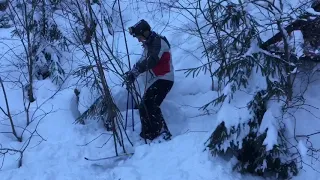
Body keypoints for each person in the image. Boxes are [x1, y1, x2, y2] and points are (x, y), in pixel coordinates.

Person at [123, 19, 174, 141]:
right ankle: (152, 133)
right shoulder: (149, 45)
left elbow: (152, 60)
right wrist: (132, 73)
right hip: (157, 79)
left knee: (148, 104)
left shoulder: (158, 42)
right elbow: (142, 61)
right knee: (147, 105)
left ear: (145, 33)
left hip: (165, 79)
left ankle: (156, 133)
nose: (139, 40)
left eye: (139, 37)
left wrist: (137, 71)